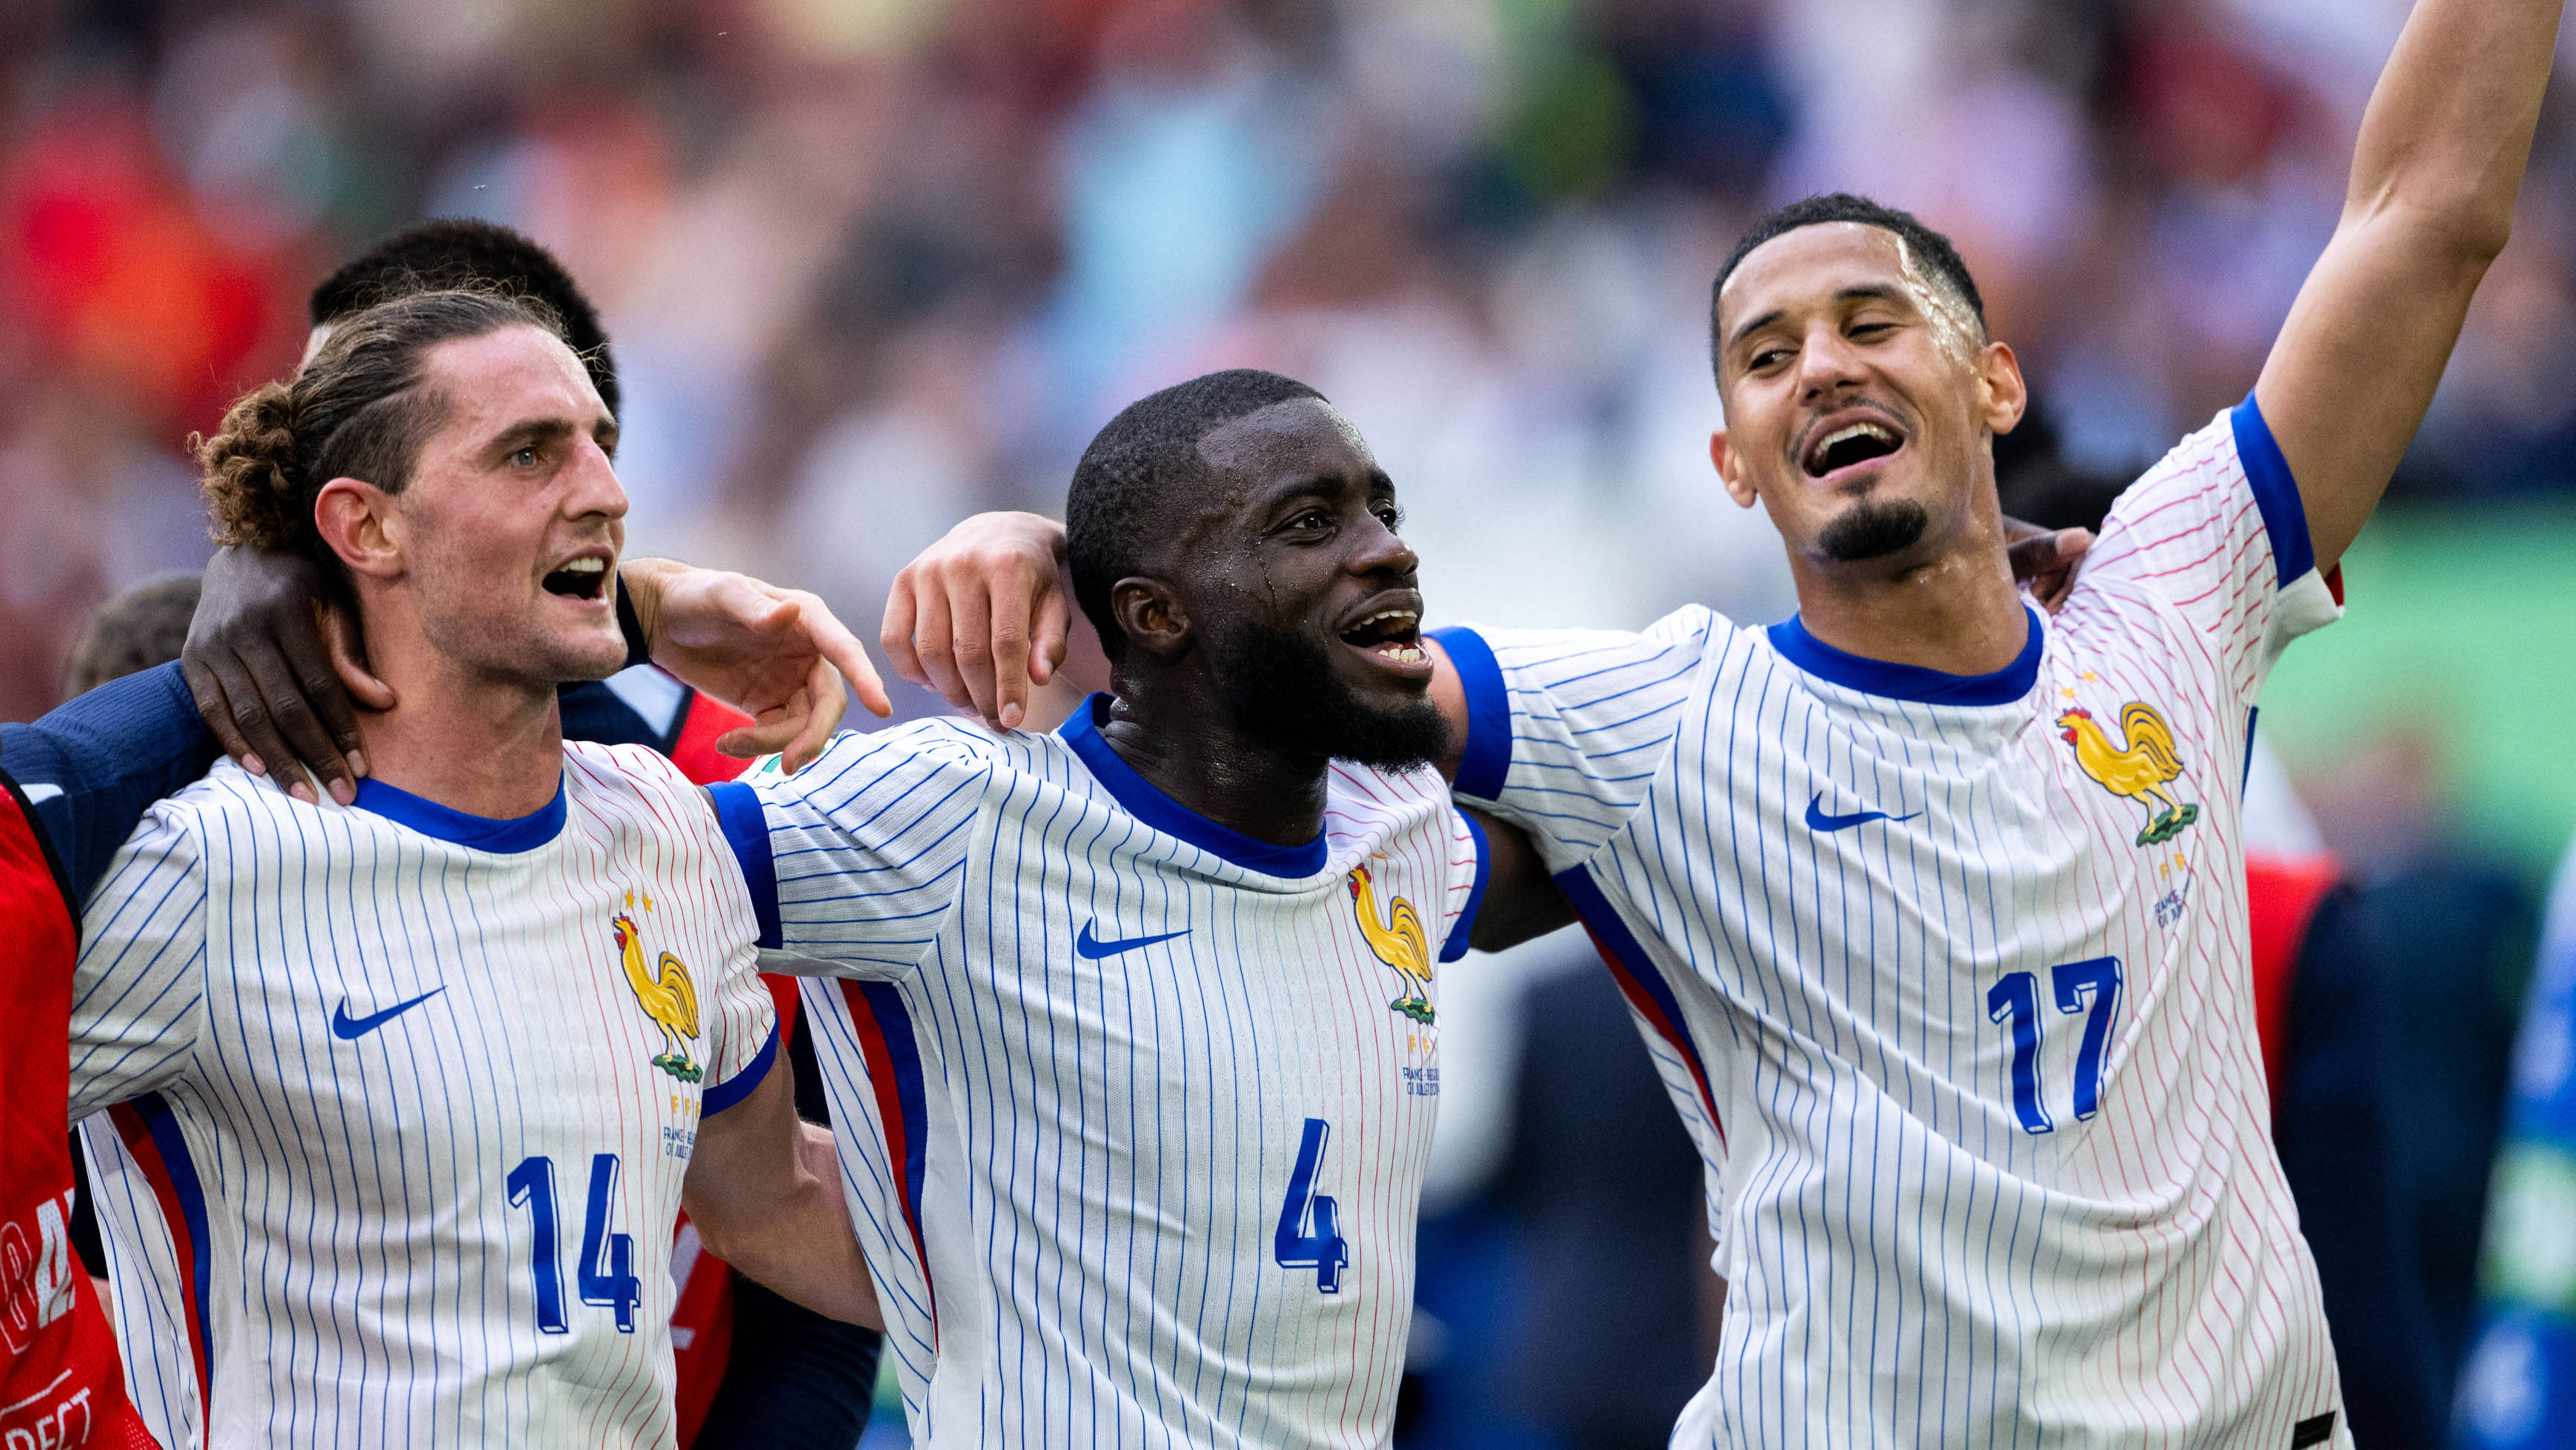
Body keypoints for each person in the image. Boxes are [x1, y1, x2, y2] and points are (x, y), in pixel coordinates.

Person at [892, 0, 2560, 1440]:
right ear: (1730, 464)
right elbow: (1285, 670)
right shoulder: (1658, 724)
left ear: (1988, 382)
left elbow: (2421, 218)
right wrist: (1074, 554)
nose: (1819, 365)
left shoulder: (2169, 599)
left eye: (1868, 320)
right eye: (1763, 356)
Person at [62, 287, 878, 1446]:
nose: (604, 489)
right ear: (367, 528)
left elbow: (774, 1199)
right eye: (528, 454)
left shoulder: (662, 822)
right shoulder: (210, 866)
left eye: (598, 442)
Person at [696, 368, 1568, 1446]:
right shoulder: (951, 813)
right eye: (1310, 521)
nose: (1389, 547)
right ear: (1152, 613)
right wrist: (647, 608)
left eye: (1380, 509)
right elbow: (583, 866)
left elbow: (1614, 837)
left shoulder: (1393, 830)